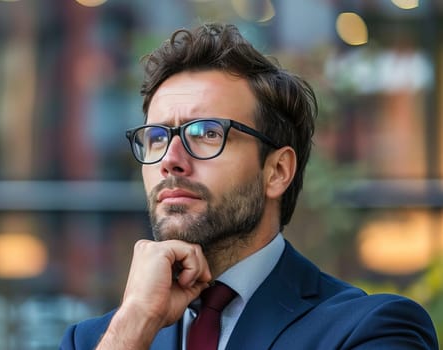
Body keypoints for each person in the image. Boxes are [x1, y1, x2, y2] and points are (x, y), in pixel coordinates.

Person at [59, 22, 439, 350]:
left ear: (276, 171)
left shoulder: (372, 330)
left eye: (207, 133)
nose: (170, 159)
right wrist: (135, 324)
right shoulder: (97, 338)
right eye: (156, 137)